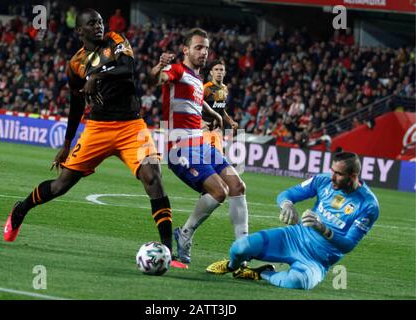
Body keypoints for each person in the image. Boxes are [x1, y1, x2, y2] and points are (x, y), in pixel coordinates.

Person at [3, 8, 187, 269]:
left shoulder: (116, 40)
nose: (99, 26)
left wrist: (97, 75)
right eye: (92, 23)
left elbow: (127, 69)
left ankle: (167, 251)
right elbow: (76, 105)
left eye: (100, 22)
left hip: (131, 125)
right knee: (61, 185)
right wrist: (67, 144)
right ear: (80, 31)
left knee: (153, 178)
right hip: (98, 128)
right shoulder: (76, 63)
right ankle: (20, 209)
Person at [207, 152, 379, 290]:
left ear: (354, 175)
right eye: (332, 170)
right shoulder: (323, 180)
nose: (332, 177)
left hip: (317, 259)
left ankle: (261, 273)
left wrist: (322, 228)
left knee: (296, 282)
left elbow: (347, 245)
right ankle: (232, 267)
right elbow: (286, 194)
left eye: (339, 174)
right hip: (293, 237)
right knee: (240, 247)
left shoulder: (368, 205)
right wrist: (287, 205)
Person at [149, 28, 249, 265]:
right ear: (185, 50)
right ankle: (185, 234)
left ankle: (243, 253)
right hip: (181, 148)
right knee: (219, 191)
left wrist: (214, 113)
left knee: (237, 185)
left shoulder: (195, 77)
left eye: (206, 47)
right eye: (198, 47)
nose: (204, 52)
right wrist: (158, 68)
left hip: (202, 144)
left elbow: (197, 98)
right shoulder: (176, 70)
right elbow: (158, 79)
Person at [202, 59, 238, 153]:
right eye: (216, 69)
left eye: (221, 70)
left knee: (218, 157)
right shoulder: (206, 88)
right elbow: (194, 105)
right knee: (208, 156)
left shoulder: (224, 89)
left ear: (225, 73)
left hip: (216, 128)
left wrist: (231, 121)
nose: (219, 72)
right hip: (203, 127)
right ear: (211, 72)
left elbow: (220, 109)